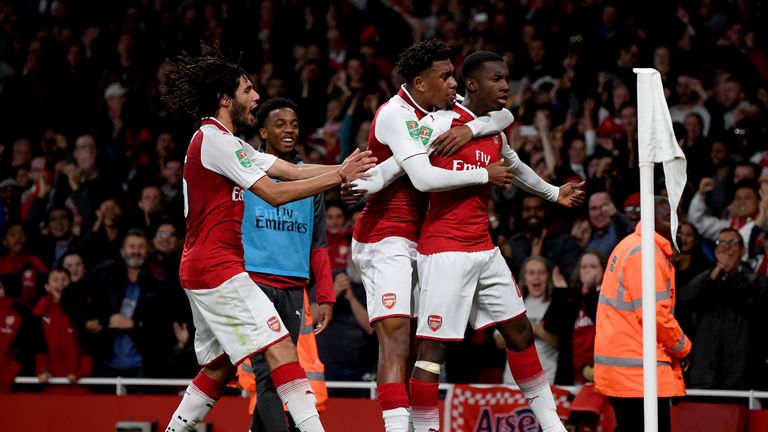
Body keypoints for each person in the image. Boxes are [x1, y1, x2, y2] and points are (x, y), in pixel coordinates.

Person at [161, 43, 373, 432]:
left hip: (205, 268)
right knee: (280, 349)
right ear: (225, 98)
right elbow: (274, 193)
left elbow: (289, 171)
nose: (256, 97)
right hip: (218, 270)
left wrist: (344, 167)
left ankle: (177, 428)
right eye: (247, 90)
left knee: (222, 363)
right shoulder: (215, 140)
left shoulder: (226, 142)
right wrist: (340, 177)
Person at [399, 51, 582, 432]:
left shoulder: (492, 130)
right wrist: (355, 183)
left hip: (484, 249)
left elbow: (515, 167)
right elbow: (400, 163)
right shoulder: (436, 124)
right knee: (433, 352)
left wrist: (553, 193)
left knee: (521, 332)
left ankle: (552, 426)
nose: (505, 86)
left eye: (507, 78)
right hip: (444, 250)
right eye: (497, 79)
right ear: (471, 84)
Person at [347, 39, 517, 432]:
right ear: (420, 83)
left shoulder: (440, 114)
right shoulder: (396, 115)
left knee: (419, 352)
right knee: (397, 341)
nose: (455, 84)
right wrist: (484, 174)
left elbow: (501, 117)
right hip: (385, 237)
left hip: (424, 243)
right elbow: (421, 178)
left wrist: (473, 126)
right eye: (446, 77)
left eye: (455, 75)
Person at [243, 97, 335, 432]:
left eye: (294, 124)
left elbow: (319, 244)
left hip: (294, 289)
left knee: (281, 374)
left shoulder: (311, 179)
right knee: (268, 374)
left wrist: (325, 296)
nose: (289, 130)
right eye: (280, 124)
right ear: (263, 131)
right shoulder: (244, 170)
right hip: (254, 283)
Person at [594, 197, 692, 432]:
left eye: (677, 216)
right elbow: (654, 315)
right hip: (637, 371)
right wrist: (683, 347)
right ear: (649, 220)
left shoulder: (635, 247)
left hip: (631, 369)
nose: (676, 223)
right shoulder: (644, 252)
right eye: (669, 217)